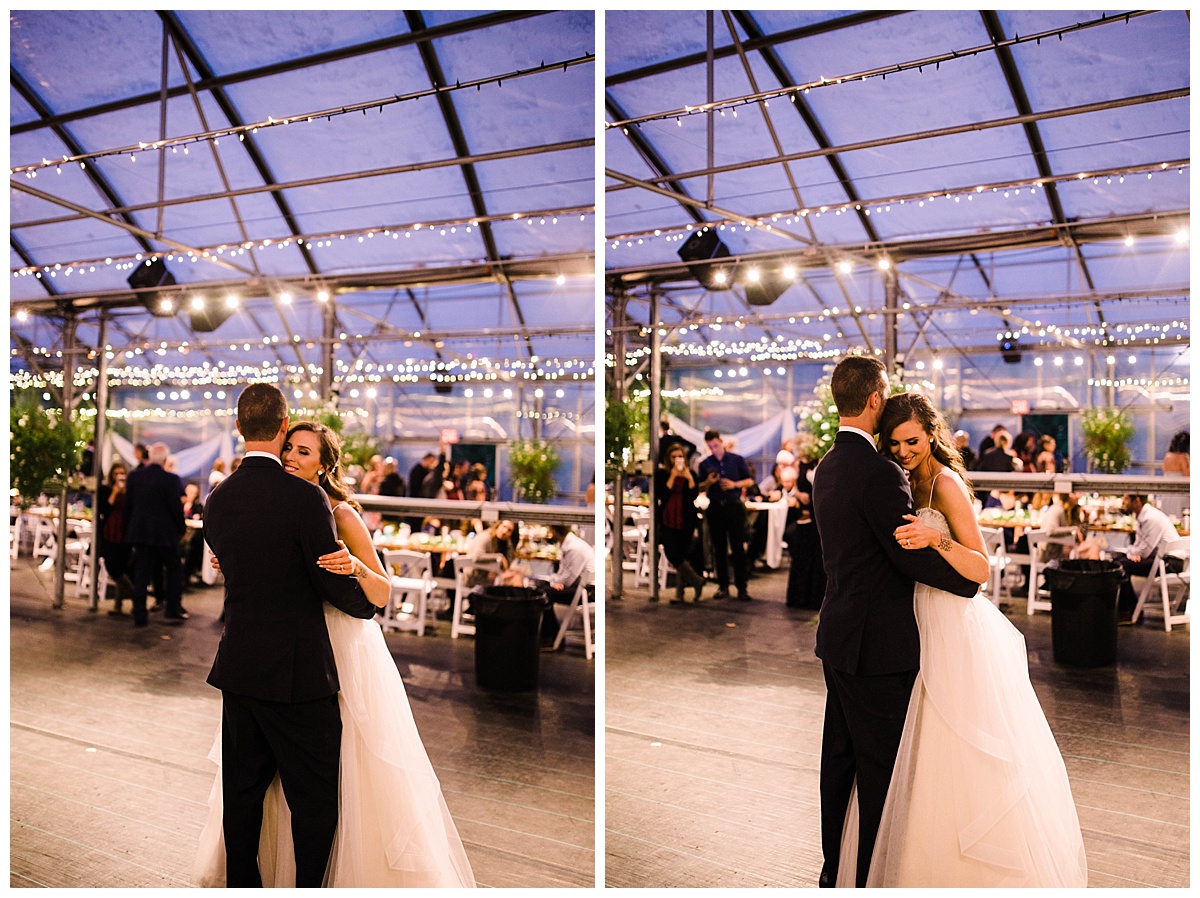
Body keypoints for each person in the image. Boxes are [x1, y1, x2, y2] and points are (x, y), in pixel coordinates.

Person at [197, 387, 475, 887]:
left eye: (305, 452)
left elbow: (237, 560)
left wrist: (360, 579)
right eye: (291, 447)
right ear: (281, 426)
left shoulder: (219, 497)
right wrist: (359, 597)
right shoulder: (302, 501)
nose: (293, 456)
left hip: (244, 664)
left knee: (242, 794)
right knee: (313, 796)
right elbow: (334, 587)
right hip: (299, 671)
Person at [834, 389, 1087, 887]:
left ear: (931, 434)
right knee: (915, 748)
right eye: (894, 442)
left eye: (912, 441)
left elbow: (981, 569)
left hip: (950, 623)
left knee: (955, 744)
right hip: (912, 623)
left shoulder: (946, 482)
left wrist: (937, 538)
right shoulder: (898, 478)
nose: (903, 450)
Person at [810, 356, 979, 889]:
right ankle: (872, 878)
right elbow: (904, 551)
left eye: (912, 441)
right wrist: (966, 582)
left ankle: (833, 869)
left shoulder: (826, 466)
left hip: (838, 637)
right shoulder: (877, 470)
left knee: (838, 762)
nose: (902, 449)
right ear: (876, 399)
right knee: (881, 769)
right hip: (878, 647)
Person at [123, 442, 187, 627]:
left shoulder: (135, 477)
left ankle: (139, 614)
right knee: (174, 569)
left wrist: (128, 531)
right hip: (165, 535)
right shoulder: (171, 479)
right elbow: (176, 509)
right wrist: (181, 528)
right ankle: (172, 608)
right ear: (165, 459)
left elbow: (128, 505)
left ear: (149, 457)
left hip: (141, 533)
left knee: (142, 572)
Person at [697, 429, 755, 601]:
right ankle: (722, 585)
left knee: (738, 548)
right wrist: (709, 482)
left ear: (721, 442)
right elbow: (699, 487)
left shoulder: (736, 460)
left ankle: (742, 587)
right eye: (710, 447)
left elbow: (750, 480)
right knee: (718, 548)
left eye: (715, 445)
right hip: (715, 507)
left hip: (733, 506)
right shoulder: (705, 464)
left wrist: (734, 484)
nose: (713, 449)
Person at [1113, 493, 1180, 624]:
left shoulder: (1151, 519)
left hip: (1171, 563)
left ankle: (1127, 610)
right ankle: (1130, 608)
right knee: (1118, 562)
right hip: (1160, 559)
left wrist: (1132, 552)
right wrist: (1132, 552)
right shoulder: (1141, 517)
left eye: (1126, 498)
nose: (1123, 501)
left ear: (1136, 500)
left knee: (1122, 566)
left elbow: (1143, 552)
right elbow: (1137, 547)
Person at [655, 443, 706, 604]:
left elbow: (693, 495)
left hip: (686, 517)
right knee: (672, 552)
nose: (678, 459)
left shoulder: (690, 473)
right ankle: (697, 580)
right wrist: (673, 475)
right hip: (668, 516)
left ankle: (680, 593)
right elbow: (662, 493)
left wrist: (688, 477)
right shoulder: (663, 474)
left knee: (683, 554)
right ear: (669, 459)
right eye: (674, 457)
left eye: (680, 456)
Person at [539, 524, 596, 648]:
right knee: (542, 589)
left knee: (544, 593)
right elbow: (563, 574)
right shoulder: (569, 545)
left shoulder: (574, 548)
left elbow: (567, 579)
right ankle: (551, 633)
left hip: (590, 593)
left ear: (554, 530)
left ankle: (550, 635)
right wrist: (554, 582)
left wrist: (555, 582)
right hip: (582, 588)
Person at [781, 460, 824, 610]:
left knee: (815, 559)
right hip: (804, 521)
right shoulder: (799, 465)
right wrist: (799, 495)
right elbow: (794, 489)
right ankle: (800, 597)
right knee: (802, 558)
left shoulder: (821, 463)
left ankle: (812, 598)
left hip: (816, 520)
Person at [96, 461, 135, 615]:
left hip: (125, 531)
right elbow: (104, 509)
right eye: (116, 473)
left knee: (123, 566)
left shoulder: (130, 491)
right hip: (110, 530)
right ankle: (136, 598)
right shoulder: (106, 489)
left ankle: (118, 604)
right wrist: (115, 492)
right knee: (112, 566)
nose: (119, 476)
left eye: (122, 473)